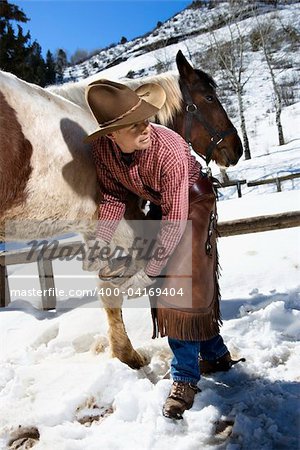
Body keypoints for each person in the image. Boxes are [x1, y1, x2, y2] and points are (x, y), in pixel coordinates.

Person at [83, 79, 243, 420]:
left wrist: (149, 271)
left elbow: (174, 220)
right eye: (133, 124)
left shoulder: (167, 149)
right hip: (164, 202)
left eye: (145, 118)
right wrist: (102, 238)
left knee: (176, 281)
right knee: (173, 284)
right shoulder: (103, 153)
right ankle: (214, 352)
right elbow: (113, 195)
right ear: (112, 135)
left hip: (192, 199)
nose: (145, 127)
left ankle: (185, 378)